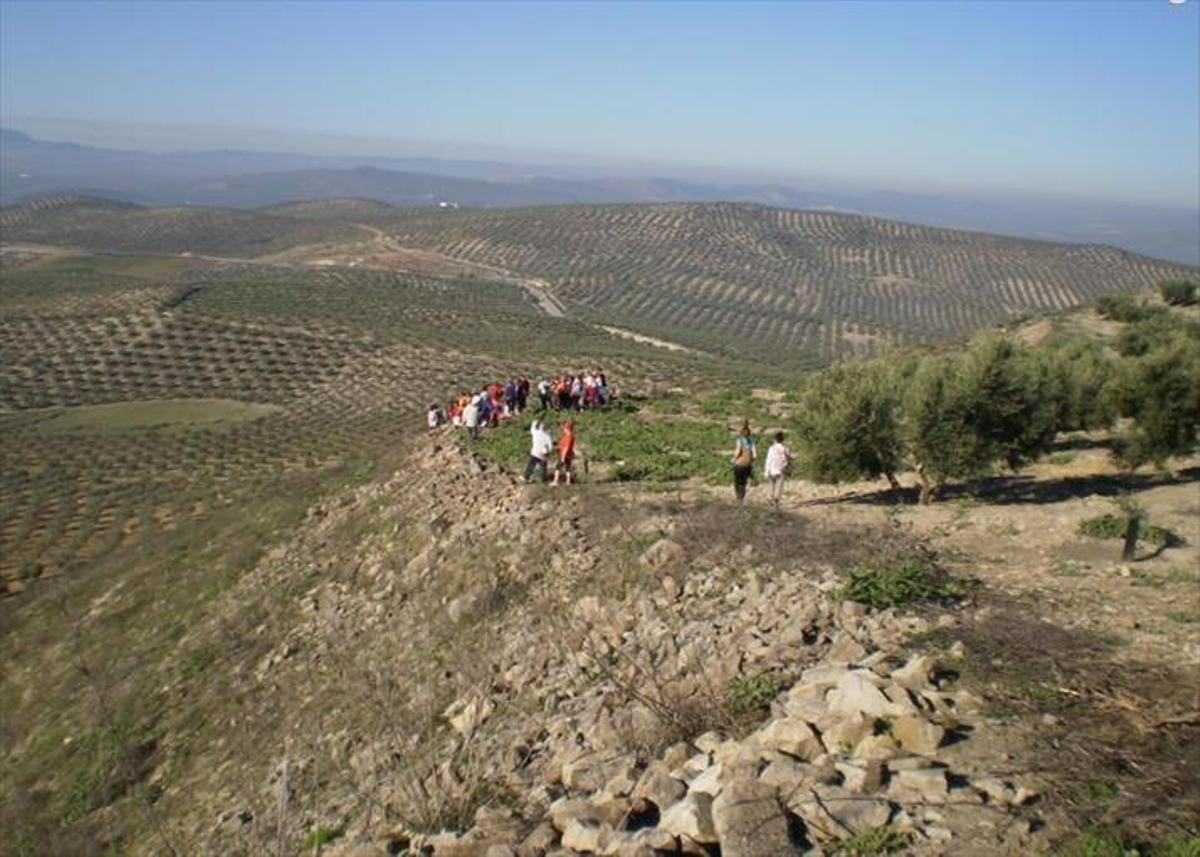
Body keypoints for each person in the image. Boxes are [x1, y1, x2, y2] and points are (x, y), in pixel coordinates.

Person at [730, 420, 756, 507]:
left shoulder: (739, 440)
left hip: (739, 464)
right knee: (744, 482)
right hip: (748, 464)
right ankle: (743, 497)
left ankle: (739, 497)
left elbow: (737, 452)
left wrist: (733, 459)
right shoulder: (751, 441)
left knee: (737, 481)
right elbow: (755, 455)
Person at [764, 431, 792, 507]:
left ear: (775, 439)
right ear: (783, 439)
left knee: (771, 485)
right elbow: (789, 458)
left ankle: (770, 498)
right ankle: (776, 501)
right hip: (781, 469)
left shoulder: (771, 448)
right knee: (779, 486)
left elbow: (768, 460)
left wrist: (766, 471)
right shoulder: (785, 448)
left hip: (771, 469)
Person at [524, 419, 553, 483]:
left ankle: (526, 477)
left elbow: (533, 426)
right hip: (543, 455)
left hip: (535, 453)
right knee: (543, 469)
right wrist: (547, 453)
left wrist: (536, 422)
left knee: (530, 466)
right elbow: (550, 447)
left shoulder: (535, 432)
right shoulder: (547, 436)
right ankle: (543, 480)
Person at [552, 420, 577, 486]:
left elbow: (566, 447)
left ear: (567, 429)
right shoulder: (571, 436)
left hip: (564, 454)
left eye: (564, 428)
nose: (563, 429)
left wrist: (563, 456)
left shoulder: (568, 437)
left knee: (557, 467)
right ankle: (568, 481)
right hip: (569, 455)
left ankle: (555, 481)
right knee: (567, 468)